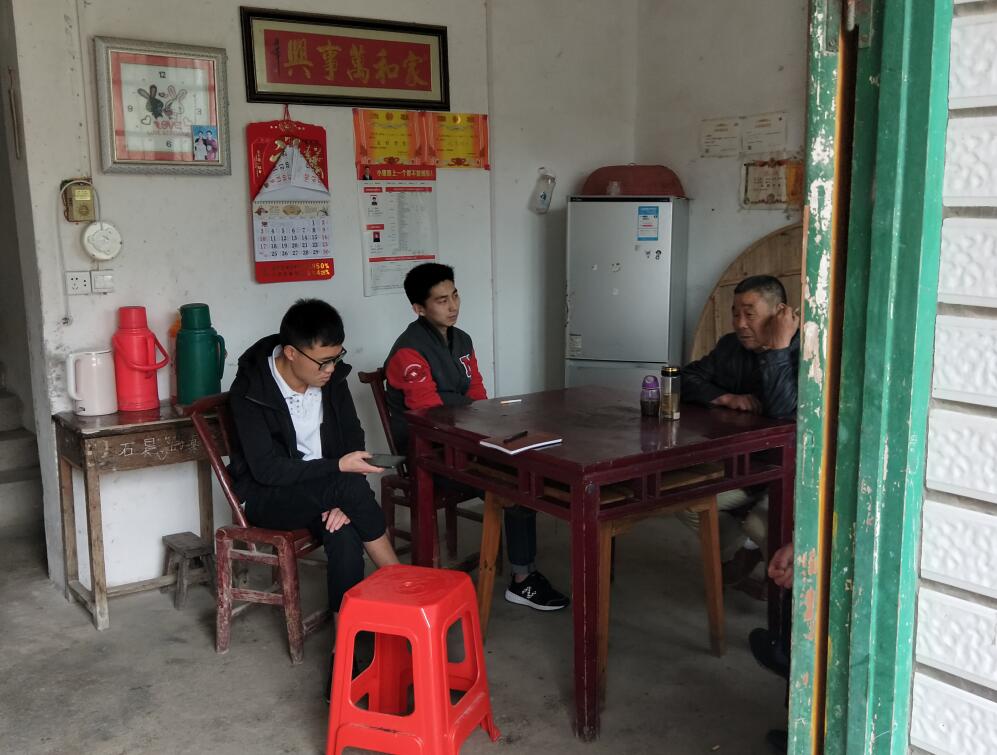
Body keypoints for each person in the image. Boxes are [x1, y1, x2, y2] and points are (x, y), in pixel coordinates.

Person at [227, 298, 399, 693]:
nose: (331, 369)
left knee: (344, 532)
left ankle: (344, 651)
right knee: (347, 484)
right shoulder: (251, 391)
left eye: (337, 358)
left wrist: (338, 498)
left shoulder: (331, 380)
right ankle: (399, 582)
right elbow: (267, 470)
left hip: (325, 490)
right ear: (291, 353)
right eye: (323, 362)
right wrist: (337, 475)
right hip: (271, 497)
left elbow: (352, 438)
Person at [384, 262, 569, 611]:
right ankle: (523, 579)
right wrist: (468, 411)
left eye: (454, 295)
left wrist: (479, 416)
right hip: (428, 452)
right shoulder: (408, 351)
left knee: (524, 467)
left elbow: (478, 396)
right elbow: (430, 414)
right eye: (441, 300)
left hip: (463, 438)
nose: (453, 306)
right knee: (514, 483)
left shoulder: (462, 339)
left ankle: (523, 572)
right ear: (419, 308)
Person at [680, 275, 800, 587]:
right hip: (742, 466)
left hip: (790, 472)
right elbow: (686, 379)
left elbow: (783, 412)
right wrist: (726, 397)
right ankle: (741, 549)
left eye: (749, 314)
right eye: (735, 314)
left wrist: (778, 347)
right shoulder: (730, 347)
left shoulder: (807, 349)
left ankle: (779, 594)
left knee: (770, 533)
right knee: (684, 501)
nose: (740, 324)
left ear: (780, 313)